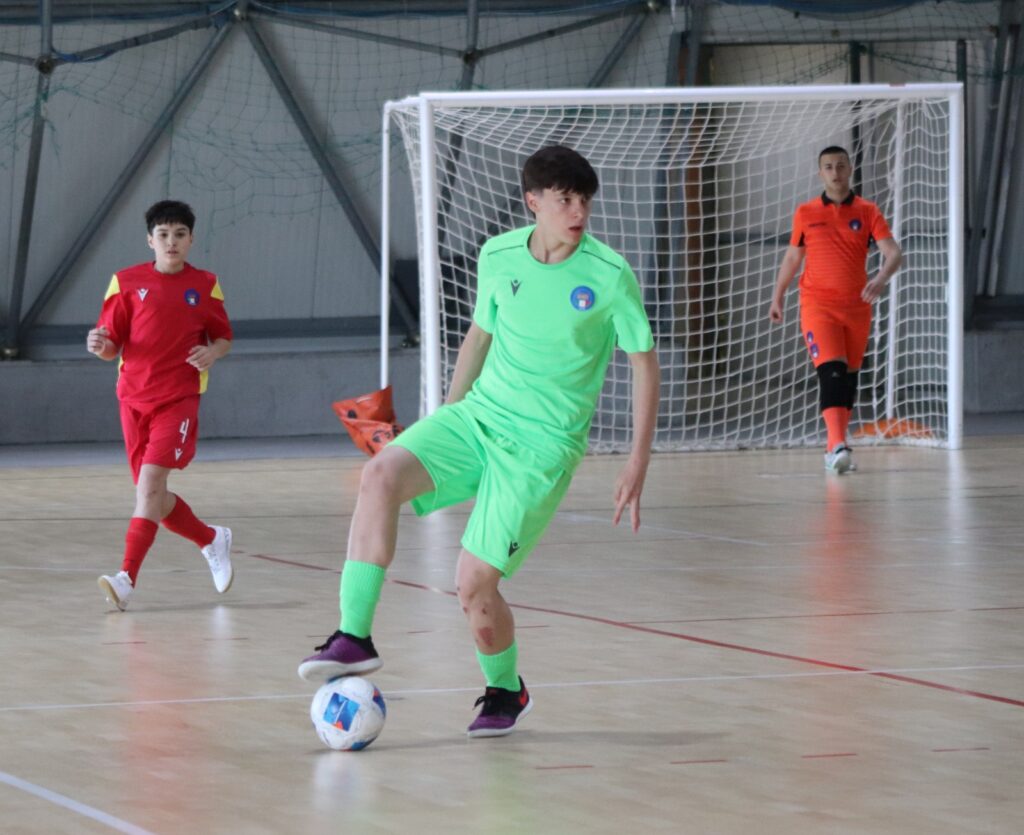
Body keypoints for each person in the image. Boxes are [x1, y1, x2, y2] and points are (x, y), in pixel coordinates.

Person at [299, 145, 660, 738]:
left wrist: (638, 458)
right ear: (533, 201)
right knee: (381, 473)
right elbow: (478, 337)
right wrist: (446, 416)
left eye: (585, 201)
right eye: (565, 200)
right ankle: (354, 636)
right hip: (478, 417)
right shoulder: (498, 255)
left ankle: (505, 690)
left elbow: (644, 364)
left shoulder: (609, 274)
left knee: (472, 583)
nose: (578, 212)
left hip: (543, 447)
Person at [87, 200, 234, 610]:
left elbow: (223, 337)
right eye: (164, 235)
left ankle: (126, 579)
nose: (172, 242)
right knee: (152, 495)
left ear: (191, 240)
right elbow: (110, 346)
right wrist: (99, 346)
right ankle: (211, 538)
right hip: (133, 399)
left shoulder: (205, 284)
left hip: (179, 399)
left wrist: (213, 353)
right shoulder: (125, 282)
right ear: (150, 240)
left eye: (180, 234)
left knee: (149, 487)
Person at [768, 146, 903, 473]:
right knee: (832, 371)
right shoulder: (806, 212)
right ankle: (838, 444)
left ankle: (835, 448)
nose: (835, 172)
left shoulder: (868, 211)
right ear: (820, 173)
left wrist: (880, 279)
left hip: (857, 308)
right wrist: (778, 295)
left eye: (841, 165)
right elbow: (793, 257)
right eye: (828, 167)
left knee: (848, 379)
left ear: (850, 169)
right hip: (817, 306)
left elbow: (894, 253)